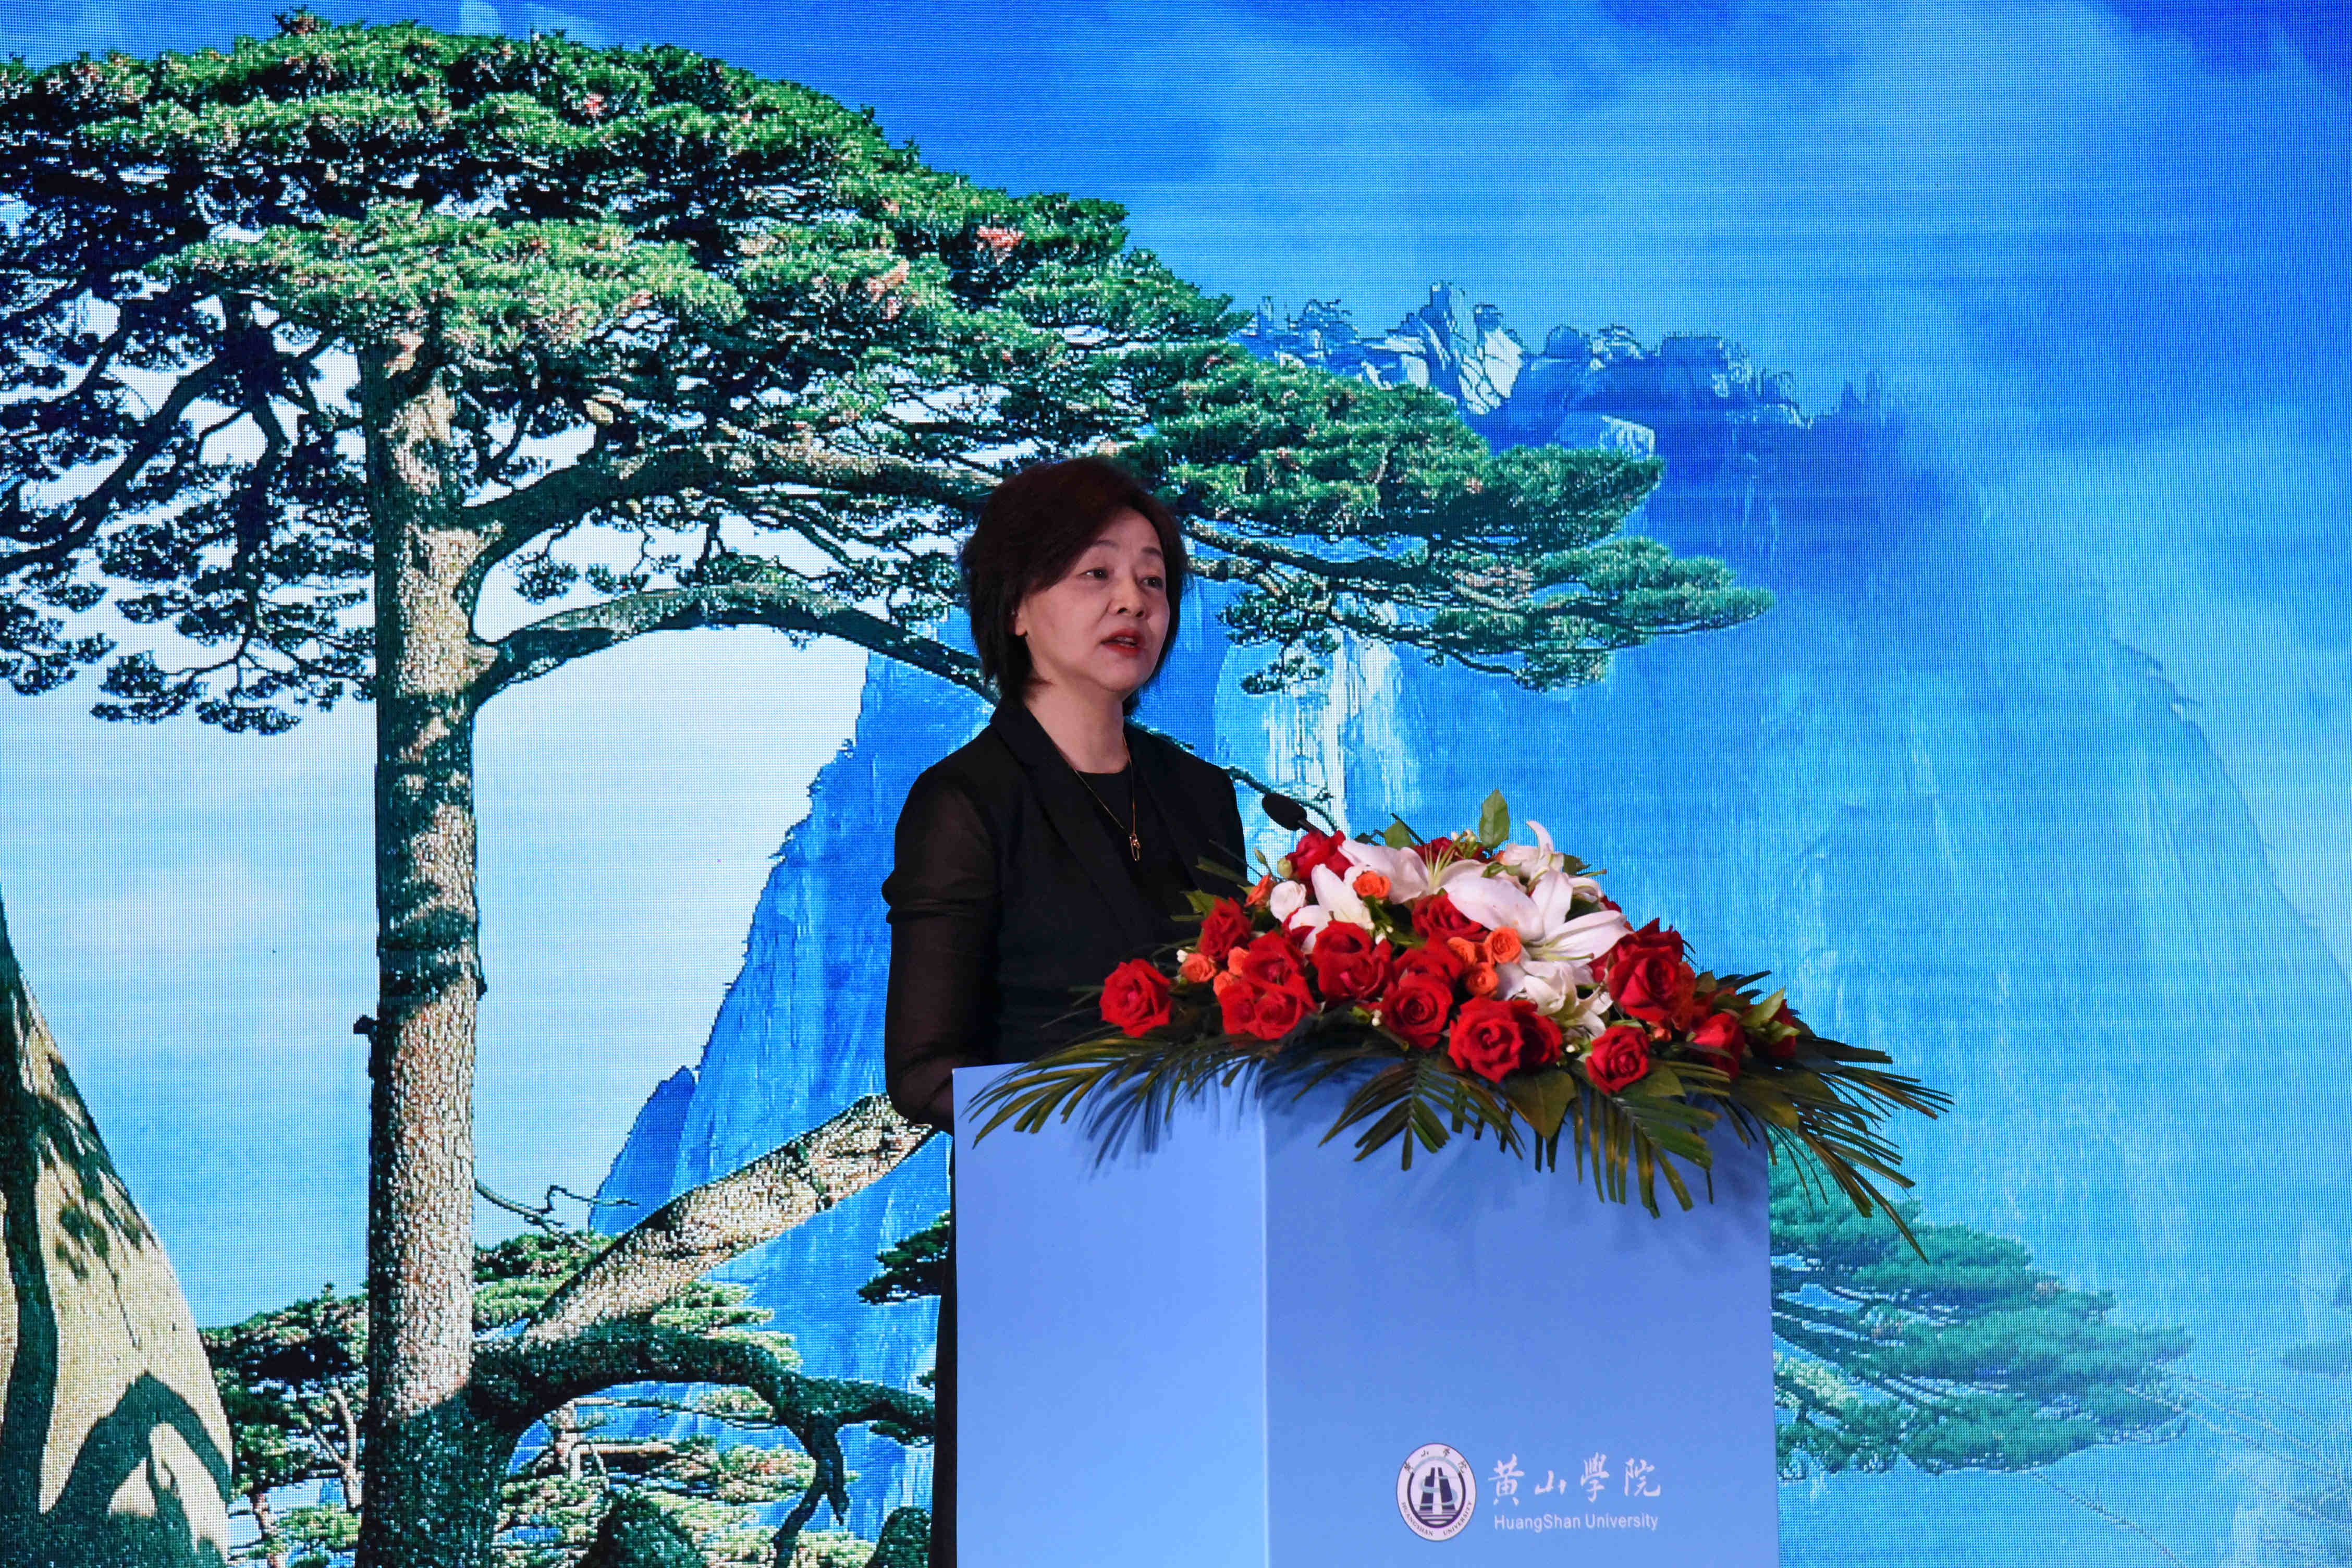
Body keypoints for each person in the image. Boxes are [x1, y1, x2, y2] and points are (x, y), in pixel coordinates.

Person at [881, 456, 1247, 1564]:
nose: (1134, 600)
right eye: (1096, 574)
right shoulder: (964, 802)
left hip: (1205, 1243)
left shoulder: (1201, 796)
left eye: (1154, 579)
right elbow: (923, 1069)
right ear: (1017, 607)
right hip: (1047, 1247)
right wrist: (1104, 1098)